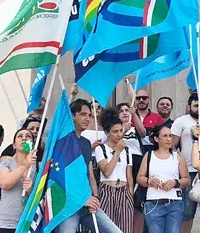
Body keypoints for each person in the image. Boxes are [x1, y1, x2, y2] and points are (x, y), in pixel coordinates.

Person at [55, 99, 122, 233]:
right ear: (72, 115)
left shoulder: (86, 143)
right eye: (83, 114)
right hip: (68, 206)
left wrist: (95, 197)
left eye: (89, 115)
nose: (87, 118)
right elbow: (59, 177)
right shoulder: (62, 141)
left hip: (87, 203)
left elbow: (90, 175)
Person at [170, 92, 200, 233]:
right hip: (188, 171)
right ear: (189, 107)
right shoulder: (181, 121)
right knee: (186, 213)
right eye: (196, 106)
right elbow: (171, 146)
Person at [137, 125, 190, 233]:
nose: (169, 139)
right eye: (165, 136)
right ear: (156, 139)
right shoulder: (149, 155)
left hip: (174, 203)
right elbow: (139, 178)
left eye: (170, 136)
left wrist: (175, 182)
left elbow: (186, 179)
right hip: (153, 202)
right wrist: (149, 181)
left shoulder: (177, 156)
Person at [95, 112, 134, 233]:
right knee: (107, 227)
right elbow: (106, 171)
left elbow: (129, 173)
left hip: (123, 191)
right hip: (107, 190)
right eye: (115, 131)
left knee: (125, 227)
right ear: (107, 133)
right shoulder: (100, 148)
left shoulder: (127, 150)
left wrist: (130, 193)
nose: (119, 134)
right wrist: (116, 152)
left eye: (120, 130)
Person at [0, 128, 36, 233]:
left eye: (28, 136)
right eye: (20, 136)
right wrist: (26, 165)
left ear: (33, 144)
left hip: (27, 224)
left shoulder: (38, 167)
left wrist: (31, 190)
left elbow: (40, 196)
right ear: (13, 145)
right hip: (4, 224)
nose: (24, 138)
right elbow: (4, 184)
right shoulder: (6, 162)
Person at [116, 103, 146, 232]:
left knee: (137, 203)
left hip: (137, 164)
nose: (124, 112)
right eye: (121, 110)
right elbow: (111, 144)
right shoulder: (114, 129)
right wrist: (123, 131)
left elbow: (143, 132)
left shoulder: (134, 128)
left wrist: (134, 114)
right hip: (121, 165)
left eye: (127, 110)